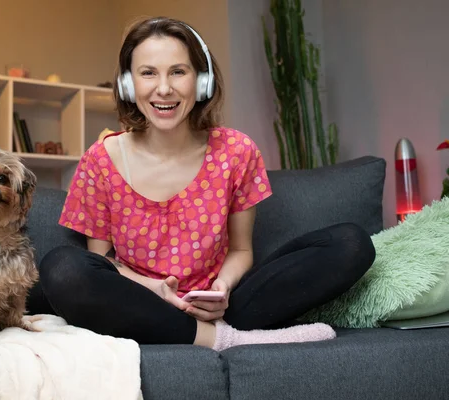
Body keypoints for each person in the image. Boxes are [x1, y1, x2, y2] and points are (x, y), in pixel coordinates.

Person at [33, 16, 376, 351]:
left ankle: (212, 328)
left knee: (352, 242)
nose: (163, 88)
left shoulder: (237, 151)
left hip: (228, 307)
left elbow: (242, 250)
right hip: (142, 301)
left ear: (202, 82)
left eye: (178, 72)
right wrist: (155, 289)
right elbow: (104, 261)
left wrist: (222, 289)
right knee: (62, 267)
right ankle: (224, 341)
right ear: (128, 84)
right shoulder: (100, 159)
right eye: (148, 73)